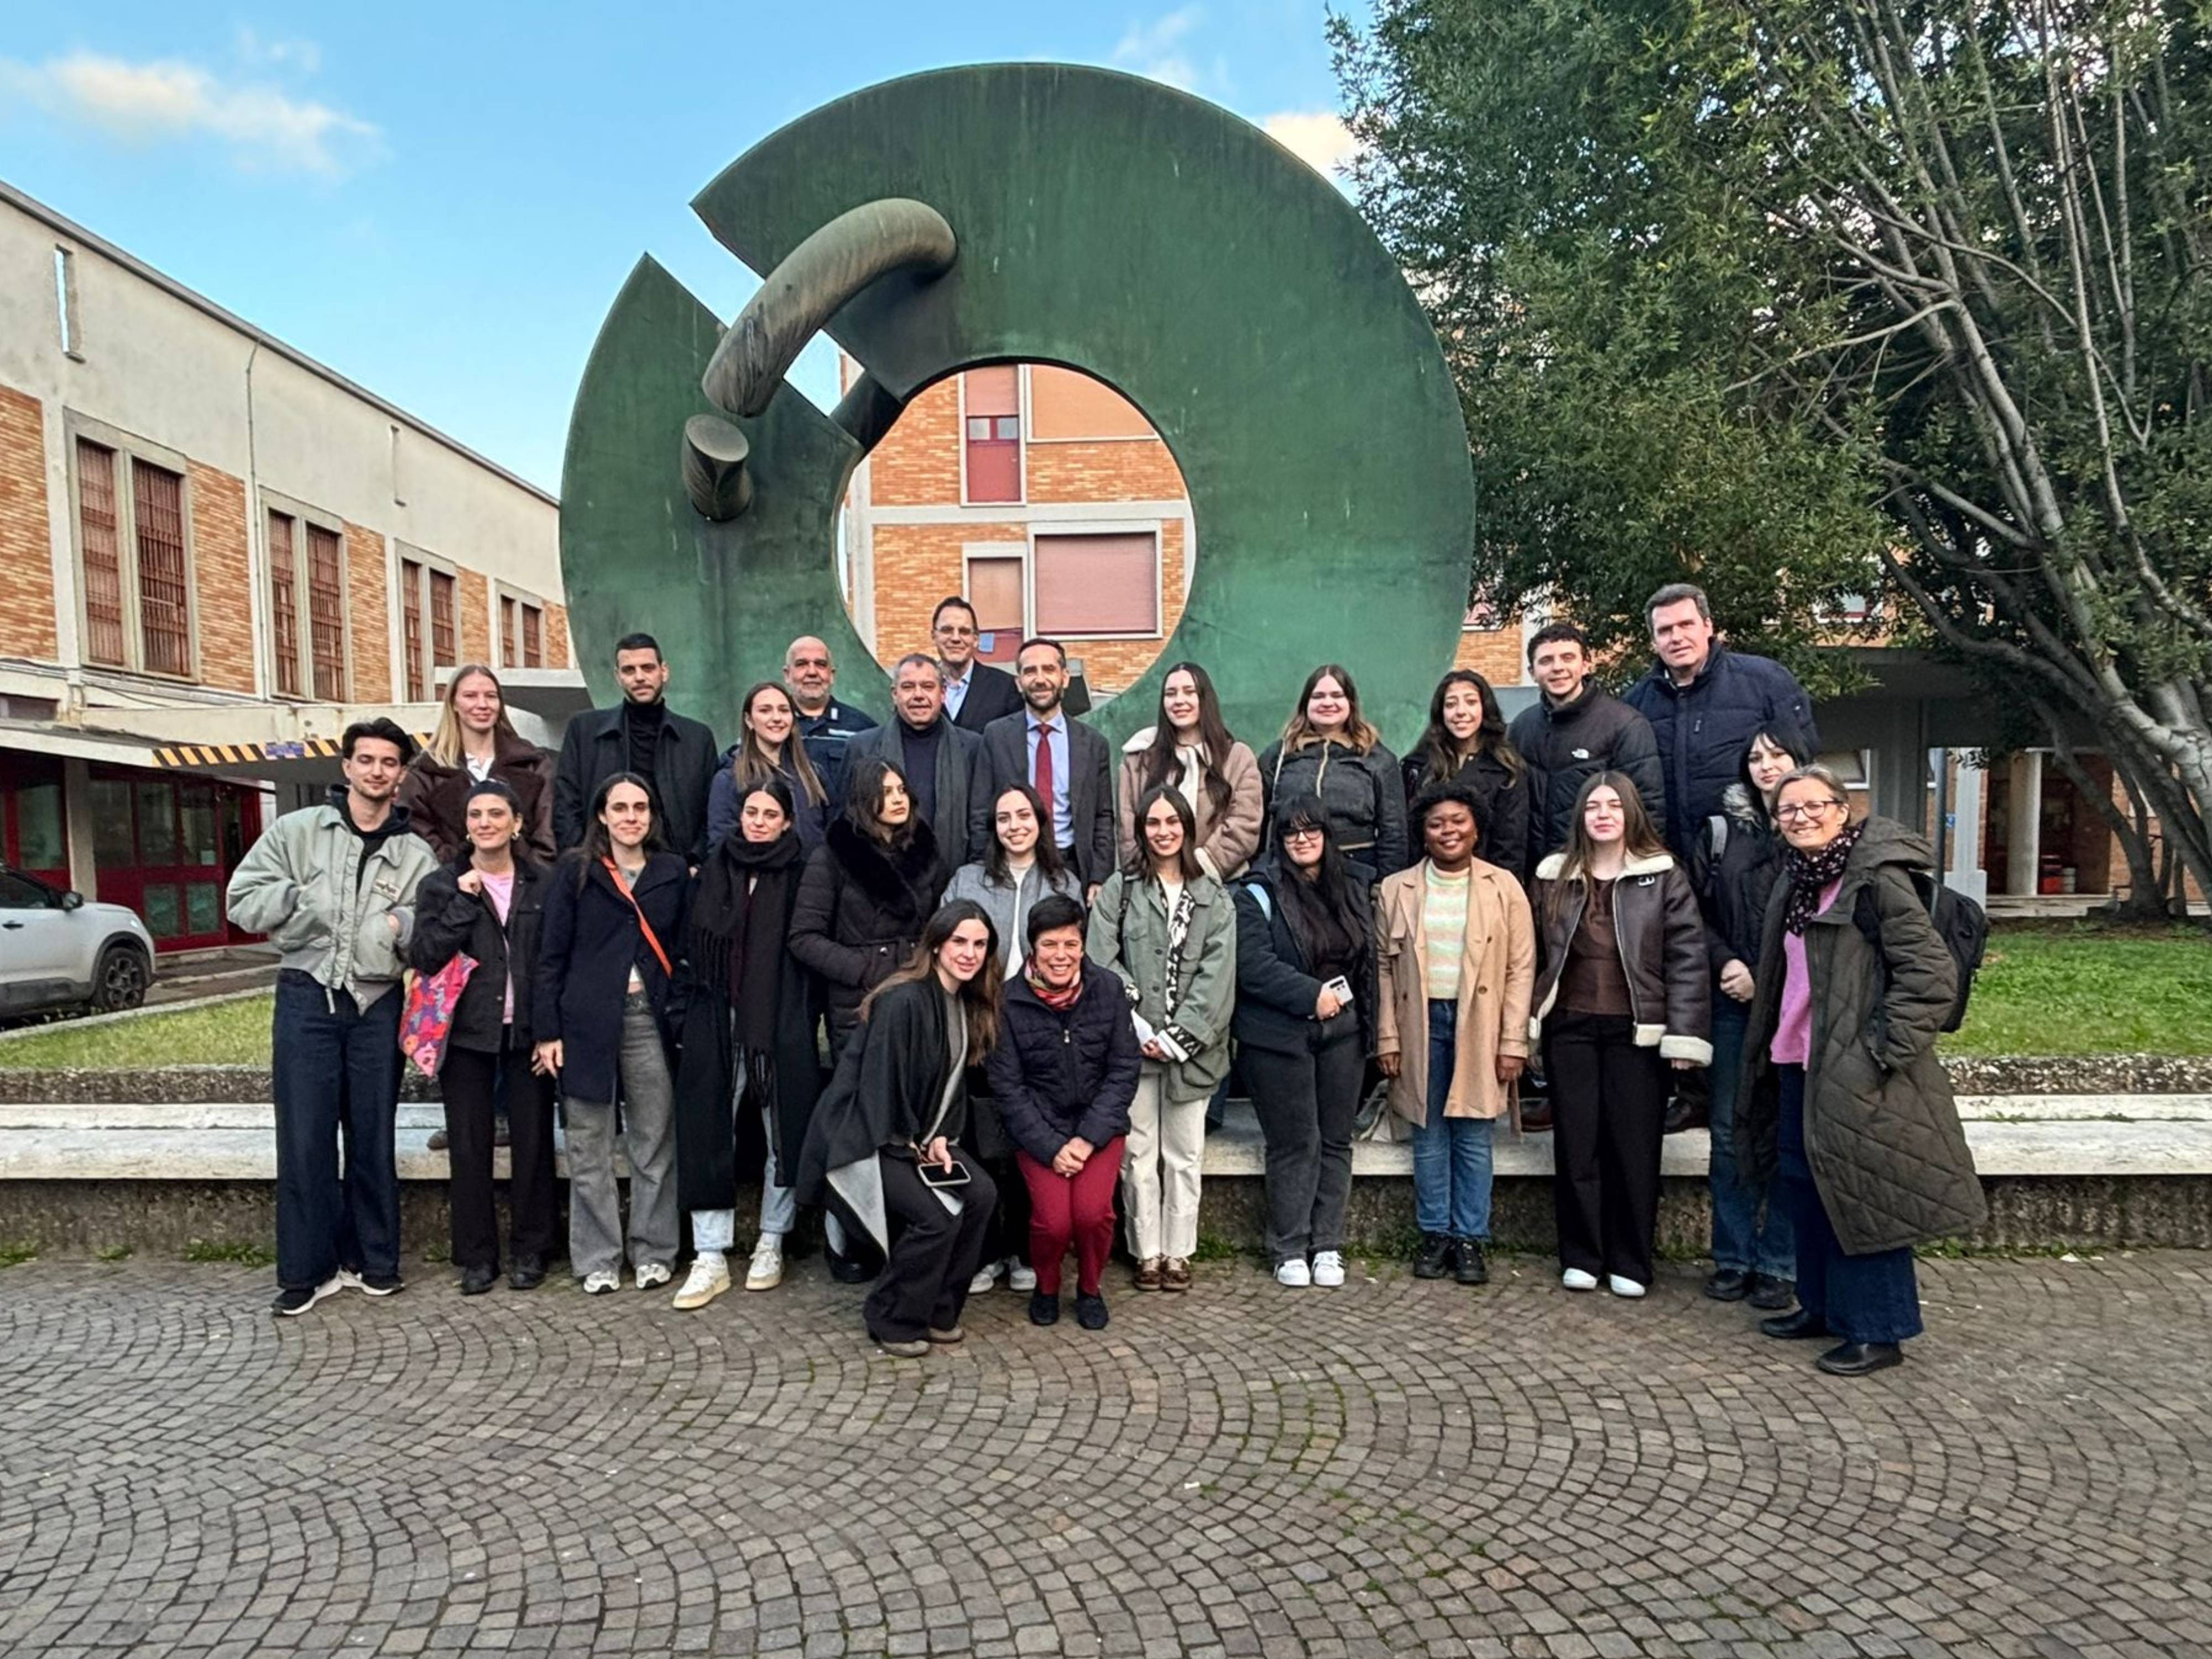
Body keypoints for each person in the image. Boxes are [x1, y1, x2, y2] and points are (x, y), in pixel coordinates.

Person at [1734, 766, 1985, 1378]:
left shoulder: (1876, 882)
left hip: (1854, 1068)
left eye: (1813, 806)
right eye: (1787, 811)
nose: (1800, 818)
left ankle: (1877, 1329)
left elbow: (1929, 977)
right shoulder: (1795, 884)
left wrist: (1880, 1049)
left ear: (1842, 810)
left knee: (1863, 1194)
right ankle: (1821, 1309)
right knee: (1806, 1189)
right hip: (1797, 1062)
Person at [226, 718, 439, 1317]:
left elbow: (434, 922)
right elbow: (241, 900)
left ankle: (374, 1259)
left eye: (388, 762)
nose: (377, 771)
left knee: (372, 1135)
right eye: (366, 760)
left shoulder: (415, 852)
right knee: (305, 1137)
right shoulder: (297, 832)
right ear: (346, 767)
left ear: (400, 775)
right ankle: (307, 1270)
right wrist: (300, 900)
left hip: (376, 1003)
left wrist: (401, 926)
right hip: (307, 995)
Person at [795, 901, 1005, 1357]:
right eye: (960, 942)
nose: (969, 953)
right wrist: (915, 1146)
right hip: (868, 1137)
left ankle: (939, 1311)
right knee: (936, 1217)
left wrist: (944, 1140)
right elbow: (878, 1086)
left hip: (920, 1135)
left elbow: (950, 1090)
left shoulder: (966, 1003)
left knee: (982, 1195)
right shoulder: (903, 999)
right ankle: (891, 1317)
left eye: (980, 945)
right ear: (936, 944)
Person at [1531, 773, 1710, 1298]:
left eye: (1613, 805)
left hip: (1639, 1032)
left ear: (1631, 812)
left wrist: (1684, 1036)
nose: (1603, 814)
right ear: (1580, 816)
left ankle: (1631, 1260)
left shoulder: (1663, 875)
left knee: (1633, 1148)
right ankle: (1582, 1256)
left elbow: (1687, 958)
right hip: (1571, 1028)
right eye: (1593, 806)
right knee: (1577, 1146)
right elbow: (1537, 956)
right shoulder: (1553, 876)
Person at [1374, 781, 1537, 1287]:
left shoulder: (1504, 887)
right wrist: (1388, 1037)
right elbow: (1382, 967)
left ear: (1476, 828)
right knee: (1428, 1132)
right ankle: (1434, 1234)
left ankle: (1471, 1238)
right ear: (1424, 834)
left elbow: (1521, 968)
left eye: (1458, 821)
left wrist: (1513, 1041)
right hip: (1420, 1023)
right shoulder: (1395, 889)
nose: (1449, 831)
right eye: (1437, 823)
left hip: (1480, 1027)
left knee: (1472, 1135)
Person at [670, 776, 823, 1307]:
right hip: (716, 1017)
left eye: (769, 814)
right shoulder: (714, 871)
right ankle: (709, 1252)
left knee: (781, 1129)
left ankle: (771, 1241)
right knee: (709, 1125)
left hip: (779, 1019)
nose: (758, 822)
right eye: (751, 812)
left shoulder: (804, 875)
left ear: (786, 821)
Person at [533, 773, 688, 1294]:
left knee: (654, 1140)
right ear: (602, 814)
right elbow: (549, 956)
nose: (630, 817)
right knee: (588, 1144)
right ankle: (598, 1257)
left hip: (649, 1017)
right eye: (619, 807)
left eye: (640, 807)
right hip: (585, 1022)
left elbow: (685, 949)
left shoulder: (670, 872)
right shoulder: (576, 872)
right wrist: (547, 1030)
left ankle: (653, 1250)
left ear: (652, 815)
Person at [406, 779, 557, 1295]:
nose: (485, 823)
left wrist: (549, 1031)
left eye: (497, 813)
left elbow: (552, 963)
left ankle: (532, 1250)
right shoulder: (443, 885)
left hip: (528, 1032)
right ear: (466, 826)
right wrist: (463, 904)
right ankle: (476, 1256)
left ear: (517, 824)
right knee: (469, 1147)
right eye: (476, 815)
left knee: (534, 1144)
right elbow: (424, 955)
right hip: (467, 1033)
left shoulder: (541, 883)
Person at [1088, 785, 1237, 1292]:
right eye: (1153, 823)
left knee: (1185, 1155)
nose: (1163, 831)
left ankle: (1179, 1251)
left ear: (1187, 828)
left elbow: (1219, 974)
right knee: (1138, 1155)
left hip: (1194, 1053)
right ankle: (1147, 1252)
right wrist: (1140, 1026)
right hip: (1134, 1048)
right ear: (1141, 829)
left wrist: (1181, 1036)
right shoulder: (1121, 888)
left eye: (1173, 822)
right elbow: (1100, 960)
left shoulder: (1213, 895)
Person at [1688, 722, 1816, 1310]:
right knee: (1729, 1133)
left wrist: (1770, 978)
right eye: (1756, 757)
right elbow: (1696, 913)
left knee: (1788, 1133)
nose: (1766, 765)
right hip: (1733, 1002)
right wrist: (1726, 964)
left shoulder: (1814, 836)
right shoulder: (1721, 833)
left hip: (1796, 1006)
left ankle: (1779, 1262)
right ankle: (1733, 1256)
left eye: (1777, 754)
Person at [942, 782, 1086, 1296]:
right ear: (994, 827)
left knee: (1028, 1142)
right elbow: (943, 946)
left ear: (1041, 822)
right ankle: (986, 1253)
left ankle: (1025, 1251)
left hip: (1039, 1032)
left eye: (1024, 816)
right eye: (1004, 818)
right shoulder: (967, 881)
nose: (1014, 826)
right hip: (978, 1027)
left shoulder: (1062, 882)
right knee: (982, 1148)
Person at [1232, 793, 1375, 1288]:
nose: (1302, 839)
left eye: (1311, 829)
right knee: (1295, 1141)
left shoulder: (1354, 886)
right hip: (1278, 1036)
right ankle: (1289, 1245)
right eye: (1291, 832)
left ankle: (1327, 1245)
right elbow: (1251, 965)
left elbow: (1368, 959)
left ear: (1328, 833)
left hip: (1345, 1033)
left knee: (1336, 1141)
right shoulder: (1256, 892)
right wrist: (1310, 995)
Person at [987, 894, 1141, 1330]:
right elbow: (1008, 1087)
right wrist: (1053, 1146)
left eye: (1071, 944)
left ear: (1083, 946)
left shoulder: (1107, 989)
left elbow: (1123, 1068)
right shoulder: (1008, 1001)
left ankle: (1090, 1288)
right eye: (1050, 945)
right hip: (1040, 1130)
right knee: (1054, 1223)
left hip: (1099, 1127)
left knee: (1093, 1215)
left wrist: (1088, 1137)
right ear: (1033, 947)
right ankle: (1047, 1285)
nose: (1061, 956)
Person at [1623, 583, 1821, 862]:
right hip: (1668, 860)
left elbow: (1803, 763)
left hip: (1753, 856)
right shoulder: (1635, 704)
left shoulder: (1765, 682)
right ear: (1654, 641)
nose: (1677, 637)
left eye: (1686, 625)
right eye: (1665, 630)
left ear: (1708, 627)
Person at [789, 756, 948, 1052]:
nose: (898, 800)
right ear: (864, 798)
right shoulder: (832, 857)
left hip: (918, 988)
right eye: (886, 793)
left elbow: (941, 922)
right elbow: (804, 937)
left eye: (901, 790)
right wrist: (863, 970)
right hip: (859, 998)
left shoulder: (926, 853)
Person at [1507, 623, 1666, 880]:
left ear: (1586, 664)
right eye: (1546, 661)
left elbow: (1649, 808)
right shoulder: (1521, 728)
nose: (1558, 667)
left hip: (1601, 875)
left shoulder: (1625, 725)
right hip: (1536, 874)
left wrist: (1635, 877)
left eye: (1568, 658)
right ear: (1532, 672)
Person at [553, 633, 719, 862]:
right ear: (618, 677)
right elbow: (566, 804)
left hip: (677, 870)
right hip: (602, 867)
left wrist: (696, 864)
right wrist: (582, 861)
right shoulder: (584, 731)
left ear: (664, 671)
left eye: (648, 668)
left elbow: (711, 810)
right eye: (629, 670)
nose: (639, 677)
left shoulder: (697, 738)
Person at [980, 637, 1117, 899]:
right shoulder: (996, 737)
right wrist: (984, 869)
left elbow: (1103, 816)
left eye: (1049, 670)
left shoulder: (1093, 744)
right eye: (1030, 671)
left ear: (1065, 678)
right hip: (1012, 865)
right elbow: (980, 810)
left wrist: (1100, 876)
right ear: (1019, 682)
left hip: (1073, 865)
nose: (1040, 679)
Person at [1115, 660, 1265, 881]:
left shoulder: (1237, 757)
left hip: (1221, 885)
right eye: (1171, 693)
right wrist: (1159, 874)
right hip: (1151, 884)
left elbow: (1245, 823)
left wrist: (1200, 868)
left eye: (1189, 692)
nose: (1179, 701)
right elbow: (1127, 823)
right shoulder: (1138, 759)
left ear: (1205, 699)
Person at [1256, 664, 1408, 877]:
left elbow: (1394, 831)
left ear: (1351, 703)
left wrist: (1385, 885)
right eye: (1318, 696)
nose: (1328, 703)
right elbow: (1258, 820)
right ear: (1306, 704)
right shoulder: (1278, 756)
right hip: (1290, 873)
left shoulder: (1378, 758)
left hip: (1355, 874)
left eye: (1337, 695)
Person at [399, 663, 556, 864]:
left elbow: (548, 832)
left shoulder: (534, 764)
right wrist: (456, 871)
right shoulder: (425, 772)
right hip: (452, 886)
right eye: (470, 696)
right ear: (454, 704)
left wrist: (531, 877)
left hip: (526, 885)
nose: (482, 704)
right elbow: (418, 834)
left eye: (491, 696)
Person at [842, 654, 989, 868]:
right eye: (908, 687)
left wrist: (974, 874)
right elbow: (849, 820)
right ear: (894, 694)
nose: (918, 695)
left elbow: (980, 819)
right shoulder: (862, 747)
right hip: (882, 876)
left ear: (943, 694)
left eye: (928, 686)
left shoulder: (972, 747)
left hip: (954, 876)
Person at [1401, 670, 1529, 881]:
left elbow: (1511, 845)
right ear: (1440, 712)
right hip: (1429, 882)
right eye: (1451, 704)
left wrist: (1500, 891)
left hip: (1485, 883)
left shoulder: (1508, 769)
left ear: (1484, 708)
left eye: (1471, 702)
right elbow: (1411, 837)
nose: (1461, 712)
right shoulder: (1418, 765)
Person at [704, 680, 832, 852]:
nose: (777, 718)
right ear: (749, 720)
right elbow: (720, 845)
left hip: (812, 876)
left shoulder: (814, 774)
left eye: (784, 710)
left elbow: (832, 834)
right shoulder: (729, 779)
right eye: (765, 711)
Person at [784, 634, 879, 803]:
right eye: (802, 664)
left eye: (820, 665)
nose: (812, 672)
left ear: (832, 674)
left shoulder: (861, 728)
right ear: (787, 675)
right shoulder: (772, 727)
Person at [932, 595, 1024, 732]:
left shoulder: (1005, 688)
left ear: (976, 639)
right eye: (947, 630)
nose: (956, 638)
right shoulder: (920, 687)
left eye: (964, 632)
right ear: (934, 636)